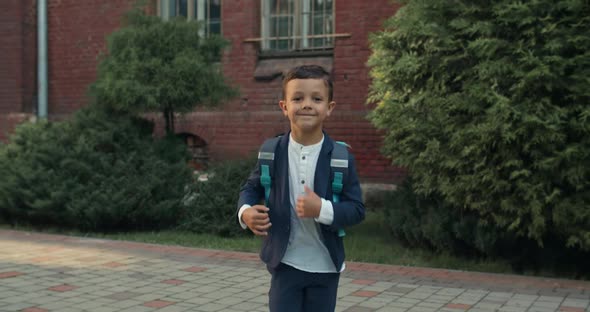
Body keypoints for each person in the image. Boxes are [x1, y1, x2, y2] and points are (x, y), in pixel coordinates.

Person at [237, 65, 365, 312]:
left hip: (326, 266)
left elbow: (357, 209)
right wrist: (245, 212)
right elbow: (250, 188)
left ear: (329, 108)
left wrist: (323, 209)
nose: (307, 104)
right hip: (285, 262)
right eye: (298, 98)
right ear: (284, 107)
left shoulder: (340, 158)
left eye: (316, 99)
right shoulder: (272, 153)